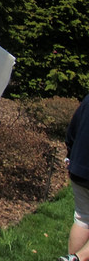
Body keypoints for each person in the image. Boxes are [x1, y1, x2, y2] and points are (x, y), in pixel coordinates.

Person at [59, 94, 89, 261]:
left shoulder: (88, 100)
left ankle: (72, 259)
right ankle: (78, 258)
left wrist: (70, 155)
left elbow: (72, 131)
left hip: (79, 168)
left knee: (83, 218)